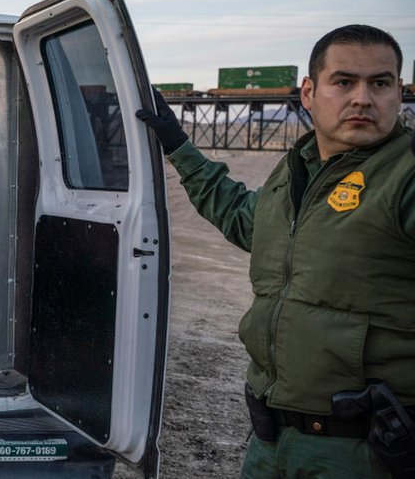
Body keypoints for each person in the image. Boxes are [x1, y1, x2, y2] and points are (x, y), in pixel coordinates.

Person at [136, 24, 414, 478]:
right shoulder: (296, 173)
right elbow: (244, 217)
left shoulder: (405, 177)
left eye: (379, 83)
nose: (362, 98)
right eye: (344, 82)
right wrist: (177, 145)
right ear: (309, 92)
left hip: (364, 453)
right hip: (271, 441)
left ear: (398, 93)